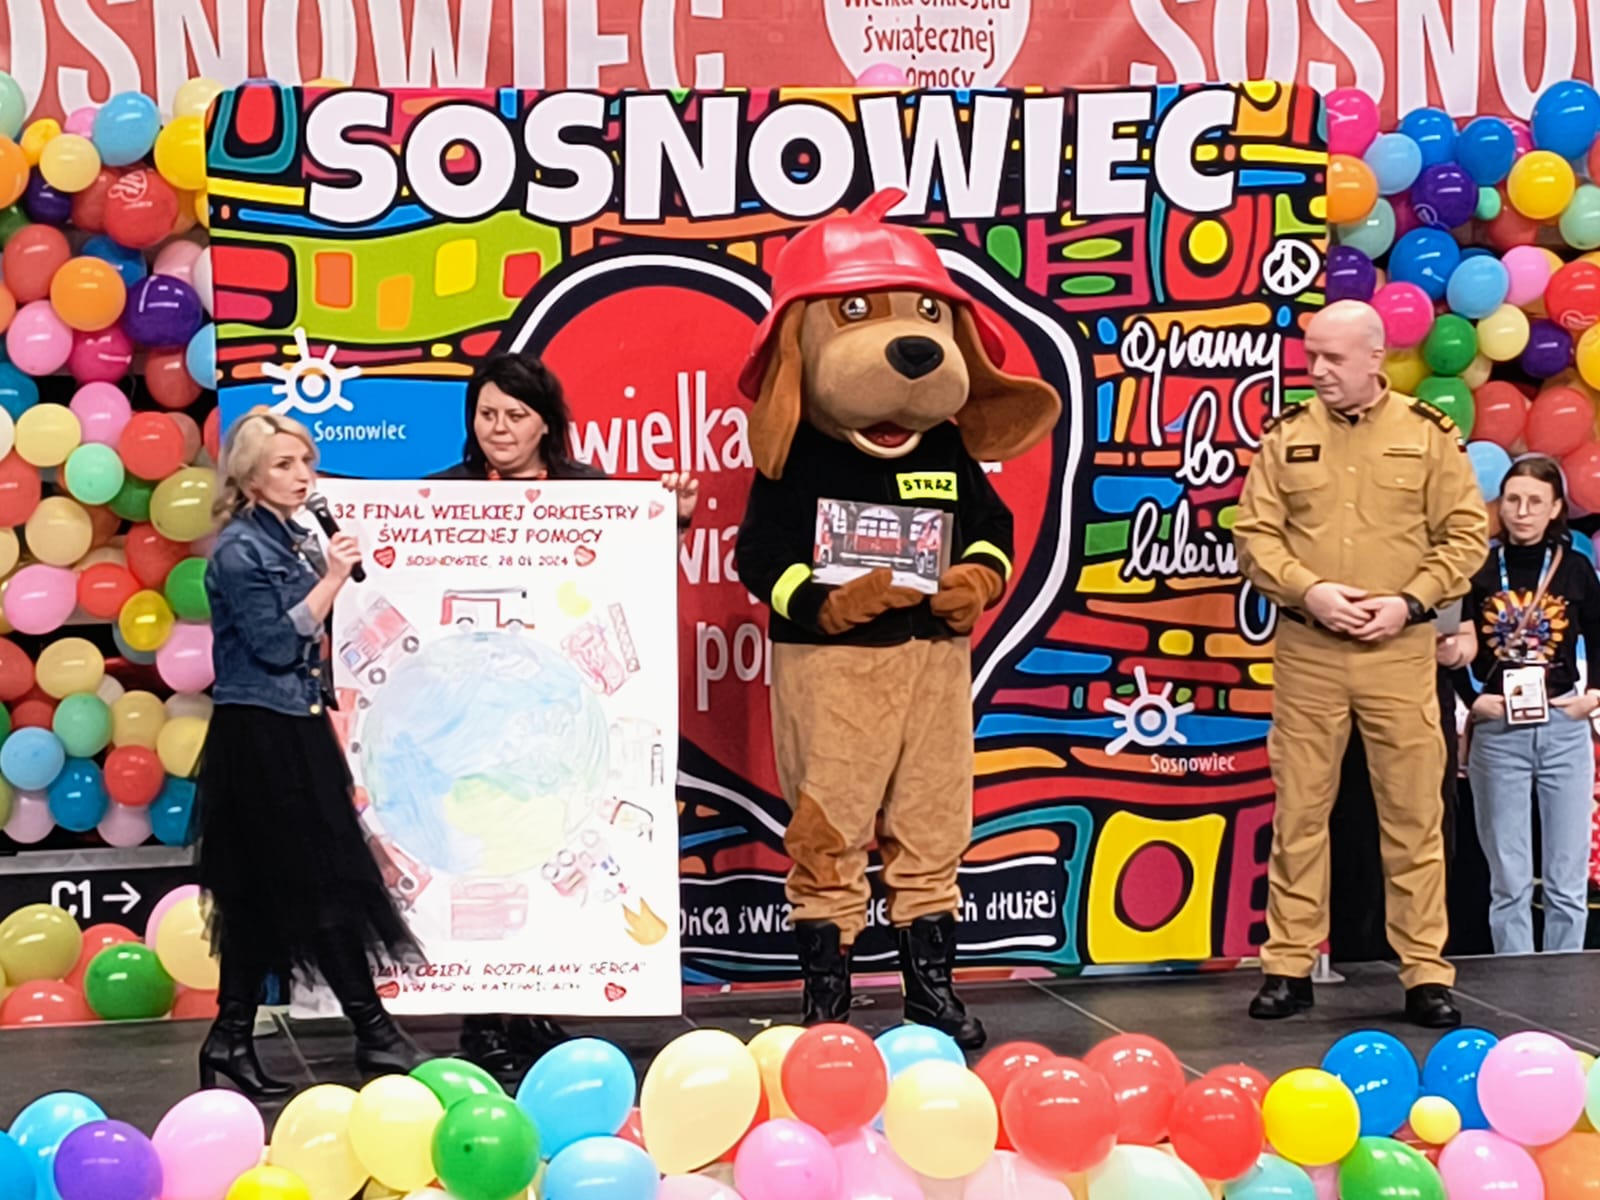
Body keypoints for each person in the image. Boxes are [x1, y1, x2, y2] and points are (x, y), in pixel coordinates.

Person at [436, 352, 700, 1080]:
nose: (498, 428)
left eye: (515, 415)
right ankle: (483, 1020)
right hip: (475, 719)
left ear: (546, 423)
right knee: (489, 852)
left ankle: (533, 1008)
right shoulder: (439, 494)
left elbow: (635, 567)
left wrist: (673, 519)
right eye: (487, 414)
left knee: (547, 845)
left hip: (559, 717)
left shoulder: (590, 492)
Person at [1233, 299, 1488, 1028]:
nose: (1317, 370)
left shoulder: (1426, 434)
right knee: (1300, 813)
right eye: (1311, 355)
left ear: (1376, 358)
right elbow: (1255, 535)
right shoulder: (1287, 435)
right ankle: (1288, 966)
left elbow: (1467, 535)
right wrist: (1308, 588)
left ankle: (1425, 972)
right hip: (1310, 650)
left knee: (1414, 815)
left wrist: (1410, 602)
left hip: (1398, 654)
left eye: (1333, 358)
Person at [198, 409, 428, 1098]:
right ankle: (374, 1032)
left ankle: (230, 1037)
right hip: (259, 736)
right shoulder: (239, 551)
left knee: (265, 890)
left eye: (307, 462)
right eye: (284, 465)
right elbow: (274, 643)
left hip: (294, 725)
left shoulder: (290, 536)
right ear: (250, 477)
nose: (303, 476)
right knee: (319, 879)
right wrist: (330, 578)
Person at [1466, 455, 1600, 954]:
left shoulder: (1575, 568)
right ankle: (1514, 982)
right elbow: (1448, 643)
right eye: (1514, 500)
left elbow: (1599, 636)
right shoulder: (1479, 568)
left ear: (1556, 508)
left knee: (1567, 882)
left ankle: (1564, 985)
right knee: (1509, 882)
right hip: (1500, 733)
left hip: (1563, 726)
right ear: (1500, 505)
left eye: (1535, 502)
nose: (1522, 512)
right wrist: (1472, 700)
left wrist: (1594, 696)